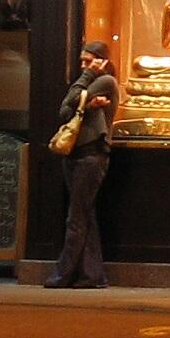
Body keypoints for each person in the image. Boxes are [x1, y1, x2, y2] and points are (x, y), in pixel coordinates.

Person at [46, 39, 117, 290]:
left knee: (76, 217)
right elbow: (65, 109)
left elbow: (70, 101)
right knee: (85, 215)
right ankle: (93, 275)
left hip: (92, 155)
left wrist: (88, 77)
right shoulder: (89, 82)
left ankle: (62, 274)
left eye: (89, 61)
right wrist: (84, 101)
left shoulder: (105, 82)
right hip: (75, 155)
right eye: (82, 62)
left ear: (103, 61)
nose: (84, 66)